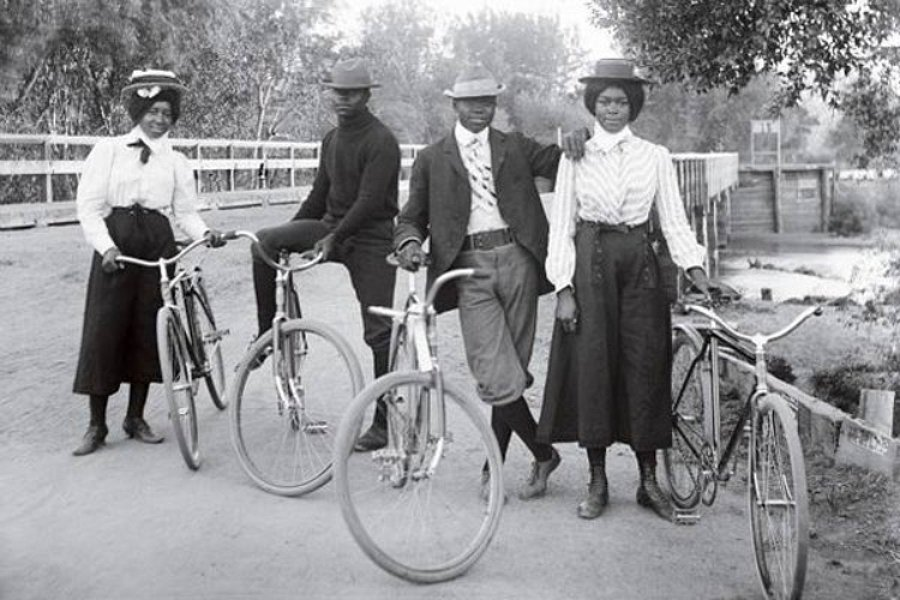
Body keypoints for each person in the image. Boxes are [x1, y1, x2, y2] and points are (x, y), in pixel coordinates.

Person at [537, 58, 713, 520]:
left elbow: (672, 218)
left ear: (633, 105)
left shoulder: (654, 156)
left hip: (640, 264)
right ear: (592, 105)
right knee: (593, 367)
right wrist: (563, 288)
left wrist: (695, 269)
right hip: (591, 261)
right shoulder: (576, 155)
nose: (612, 109)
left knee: (645, 365)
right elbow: (561, 225)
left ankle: (648, 481)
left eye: (620, 101)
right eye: (603, 101)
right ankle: (597, 481)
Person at [395, 65, 573, 500]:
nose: (480, 110)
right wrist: (410, 243)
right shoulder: (432, 159)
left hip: (520, 261)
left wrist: (580, 140)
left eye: (488, 102)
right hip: (467, 267)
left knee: (509, 372)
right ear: (454, 105)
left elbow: (561, 159)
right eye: (472, 102)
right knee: (494, 374)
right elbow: (411, 217)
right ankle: (542, 451)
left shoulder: (515, 147)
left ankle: (492, 466)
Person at [248, 58, 399, 452]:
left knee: (380, 331)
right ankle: (267, 336)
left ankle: (383, 422)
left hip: (371, 237)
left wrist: (334, 239)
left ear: (367, 96)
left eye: (351, 93)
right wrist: (289, 236)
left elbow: (368, 202)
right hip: (334, 226)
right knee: (262, 243)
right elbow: (319, 195)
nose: (343, 99)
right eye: (338, 92)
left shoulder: (382, 141)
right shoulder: (332, 140)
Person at [72, 69, 224, 456]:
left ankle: (135, 417)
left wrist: (204, 233)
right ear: (138, 111)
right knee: (104, 330)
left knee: (149, 327)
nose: (159, 119)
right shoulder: (107, 151)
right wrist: (105, 246)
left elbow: (185, 212)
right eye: (153, 110)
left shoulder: (176, 161)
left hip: (158, 244)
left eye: (166, 112)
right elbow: (89, 208)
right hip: (117, 243)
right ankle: (96, 424)